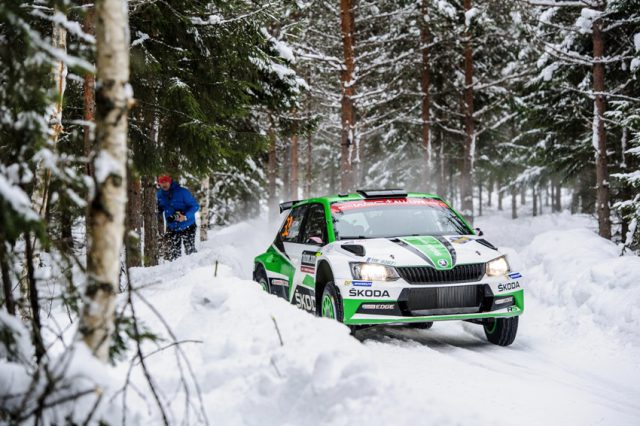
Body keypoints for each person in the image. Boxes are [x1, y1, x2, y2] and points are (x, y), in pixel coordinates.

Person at [157, 175, 200, 261]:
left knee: (190, 252)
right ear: (159, 183)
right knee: (174, 255)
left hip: (188, 225)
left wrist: (185, 216)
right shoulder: (159, 194)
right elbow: (159, 208)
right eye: (161, 182)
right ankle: (176, 273)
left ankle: (194, 270)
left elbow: (195, 206)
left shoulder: (183, 192)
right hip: (172, 227)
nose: (164, 184)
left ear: (170, 181)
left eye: (166, 181)